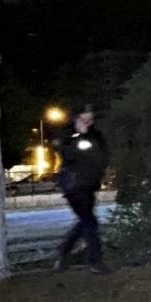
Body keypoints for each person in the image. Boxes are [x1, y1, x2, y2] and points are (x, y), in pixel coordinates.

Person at [54, 105, 109, 273]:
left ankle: (64, 252)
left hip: (89, 185)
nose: (88, 118)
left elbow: (100, 157)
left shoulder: (95, 135)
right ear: (77, 117)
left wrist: (86, 137)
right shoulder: (68, 135)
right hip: (74, 186)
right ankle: (95, 261)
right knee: (89, 222)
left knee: (85, 221)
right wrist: (80, 136)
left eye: (90, 115)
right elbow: (68, 153)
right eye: (85, 115)